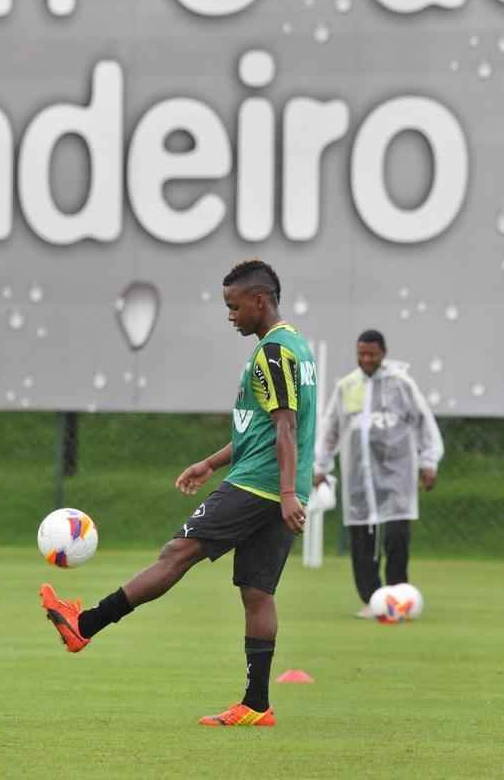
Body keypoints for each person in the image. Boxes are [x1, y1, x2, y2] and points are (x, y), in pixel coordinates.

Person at [40, 259, 317, 726]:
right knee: (257, 592)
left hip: (259, 485)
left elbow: (286, 427)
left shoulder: (272, 353)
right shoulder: (297, 347)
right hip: (276, 485)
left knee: (177, 552)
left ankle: (84, 625)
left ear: (260, 301)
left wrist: (286, 491)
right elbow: (263, 429)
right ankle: (256, 705)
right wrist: (211, 463)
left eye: (234, 307)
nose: (230, 316)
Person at [314, 330, 443, 618]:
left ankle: (398, 596)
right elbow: (331, 428)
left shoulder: (401, 385)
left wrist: (428, 462)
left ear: (383, 353)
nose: (366, 359)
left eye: (371, 354)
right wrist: (320, 465)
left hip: (397, 475)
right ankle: (372, 599)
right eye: (361, 354)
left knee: (396, 537)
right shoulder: (347, 386)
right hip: (360, 479)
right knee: (362, 540)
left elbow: (423, 422)